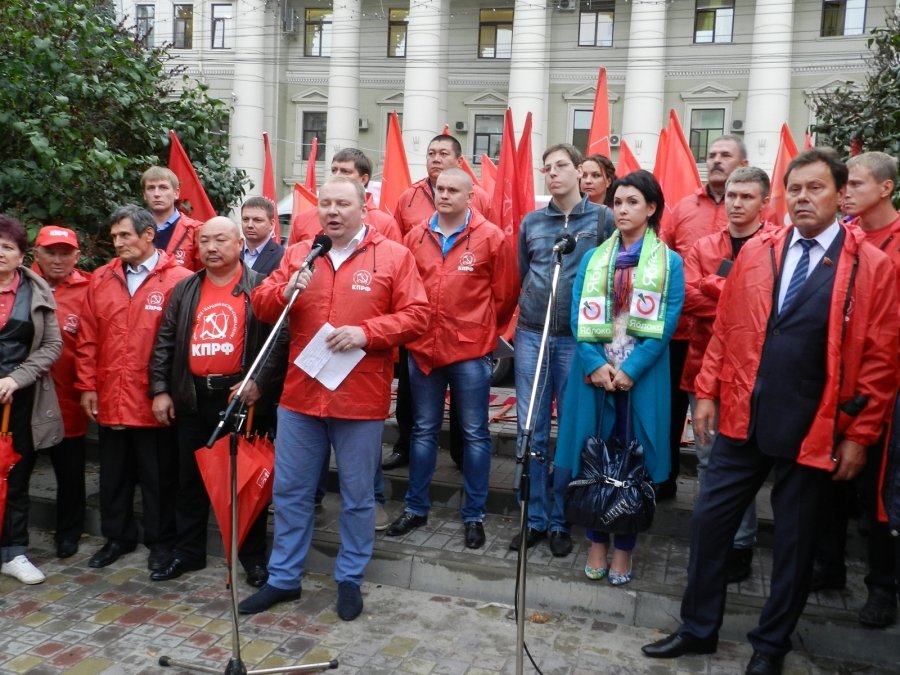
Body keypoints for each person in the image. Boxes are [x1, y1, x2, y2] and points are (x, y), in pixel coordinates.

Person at [641, 148, 899, 675]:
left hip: (814, 424)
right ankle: (697, 628)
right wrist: (708, 392)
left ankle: (771, 646)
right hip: (742, 415)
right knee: (710, 523)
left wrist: (860, 435)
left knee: (794, 543)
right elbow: (728, 330)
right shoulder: (762, 250)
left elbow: (881, 355)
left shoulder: (869, 265)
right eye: (796, 189)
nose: (804, 198)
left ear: (840, 194)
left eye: (817, 188)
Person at [242, 176, 429, 621]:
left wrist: (368, 332)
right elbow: (262, 305)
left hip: (359, 399)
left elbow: (418, 315)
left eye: (342, 203)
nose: (332, 211)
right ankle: (283, 578)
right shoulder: (299, 253)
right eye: (325, 203)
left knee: (358, 495)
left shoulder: (393, 256)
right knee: (290, 492)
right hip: (300, 397)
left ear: (364, 207)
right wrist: (284, 290)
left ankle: (349, 577)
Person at [555, 170, 683, 585]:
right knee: (594, 457)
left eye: (632, 202)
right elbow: (577, 315)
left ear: (651, 208)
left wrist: (630, 370)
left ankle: (624, 548)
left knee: (633, 461)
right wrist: (594, 363)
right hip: (595, 377)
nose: (623, 209)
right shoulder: (595, 259)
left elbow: (665, 326)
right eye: (618, 202)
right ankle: (595, 541)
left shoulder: (669, 263)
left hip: (639, 379)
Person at [148, 217, 288, 585]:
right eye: (204, 240)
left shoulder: (259, 286)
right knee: (189, 479)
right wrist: (160, 389)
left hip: (241, 400)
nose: (211, 247)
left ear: (240, 243)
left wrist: (258, 381)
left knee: (245, 482)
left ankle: (252, 557)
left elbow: (279, 339)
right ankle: (188, 552)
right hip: (192, 396)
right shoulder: (186, 289)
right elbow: (165, 340)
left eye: (220, 240)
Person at [386, 168, 517, 548]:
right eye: (439, 189)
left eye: (452, 190)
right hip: (423, 349)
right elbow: (405, 291)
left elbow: (505, 295)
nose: (443, 195)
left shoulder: (492, 238)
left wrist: (479, 330)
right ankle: (415, 508)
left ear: (469, 196)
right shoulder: (414, 237)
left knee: (475, 433)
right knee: (423, 430)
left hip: (470, 350)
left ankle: (474, 515)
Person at [809, 151, 900, 628]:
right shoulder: (847, 240)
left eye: (856, 184)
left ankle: (882, 587)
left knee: (880, 490)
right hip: (838, 383)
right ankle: (829, 568)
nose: (845, 193)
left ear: (885, 188)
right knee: (832, 482)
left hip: (887, 386)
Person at [510, 142, 614, 557]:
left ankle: (560, 520)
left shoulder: (602, 219)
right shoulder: (532, 222)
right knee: (529, 429)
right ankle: (534, 518)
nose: (551, 174)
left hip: (578, 339)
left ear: (578, 171)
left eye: (560, 167)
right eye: (546, 168)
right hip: (534, 333)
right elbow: (523, 273)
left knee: (570, 432)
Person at [76, 205, 192, 571]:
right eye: (114, 237)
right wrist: (87, 385)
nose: (118, 242)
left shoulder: (180, 279)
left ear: (147, 235)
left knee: (158, 477)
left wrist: (168, 391)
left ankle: (160, 543)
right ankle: (118, 537)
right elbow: (88, 337)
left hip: (153, 398)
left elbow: (183, 345)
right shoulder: (102, 278)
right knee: (114, 474)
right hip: (110, 393)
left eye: (124, 235)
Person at [681, 167, 775, 584]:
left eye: (747, 197)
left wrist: (717, 286)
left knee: (743, 463)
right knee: (706, 460)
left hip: (759, 372)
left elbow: (771, 313)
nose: (736, 203)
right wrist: (738, 295)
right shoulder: (704, 245)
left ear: (764, 203)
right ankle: (714, 538)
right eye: (732, 195)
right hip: (705, 366)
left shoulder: (778, 247)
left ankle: (741, 543)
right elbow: (687, 298)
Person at [385, 134, 490, 472]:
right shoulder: (408, 199)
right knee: (410, 395)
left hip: (463, 323)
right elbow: (400, 255)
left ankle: (462, 454)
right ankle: (404, 446)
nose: (435, 158)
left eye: (444, 153)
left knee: (465, 401)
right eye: (431, 153)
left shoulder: (481, 198)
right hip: (416, 315)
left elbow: (495, 271)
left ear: (459, 161)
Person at [657, 135, 748, 500]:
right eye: (711, 155)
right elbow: (665, 269)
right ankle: (664, 478)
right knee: (670, 411)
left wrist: (724, 305)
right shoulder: (681, 209)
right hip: (681, 332)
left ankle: (718, 495)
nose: (716, 160)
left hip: (730, 341)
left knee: (718, 419)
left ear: (742, 163)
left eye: (725, 155)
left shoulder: (757, 214)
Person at [0, 216, 63, 585]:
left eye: (8, 247)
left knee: (15, 474)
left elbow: (53, 345)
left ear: (23, 255)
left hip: (19, 401)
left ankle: (14, 551)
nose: (0, 253)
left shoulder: (36, 292)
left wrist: (15, 378)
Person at [31, 225, 91, 560]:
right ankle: (12, 536)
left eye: (65, 253)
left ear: (76, 256)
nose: (57, 259)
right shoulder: (20, 285)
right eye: (50, 252)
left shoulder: (89, 287)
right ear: (35, 254)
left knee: (70, 472)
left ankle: (69, 533)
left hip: (68, 396)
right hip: (23, 395)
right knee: (16, 468)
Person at [288, 148, 403, 246]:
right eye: (334, 170)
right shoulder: (303, 220)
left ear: (363, 179)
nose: (337, 176)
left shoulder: (386, 224)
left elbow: (396, 264)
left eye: (345, 171)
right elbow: (291, 264)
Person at [142, 166, 202, 270]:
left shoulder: (195, 231)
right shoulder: (136, 230)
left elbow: (205, 275)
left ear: (176, 193)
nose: (156, 194)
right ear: (144, 195)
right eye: (151, 188)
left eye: (163, 188)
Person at [241, 196, 285, 275]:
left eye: (257, 220)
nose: (249, 225)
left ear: (271, 224)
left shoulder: (282, 256)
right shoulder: (231, 251)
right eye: (245, 219)